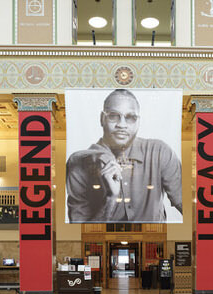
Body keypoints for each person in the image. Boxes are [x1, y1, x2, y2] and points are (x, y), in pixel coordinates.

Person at [66, 89, 182, 223]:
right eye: (113, 116)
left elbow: (187, 207)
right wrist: (111, 197)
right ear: (102, 119)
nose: (121, 125)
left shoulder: (160, 152)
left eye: (130, 117)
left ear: (138, 121)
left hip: (153, 241)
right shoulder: (79, 163)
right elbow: (79, 231)